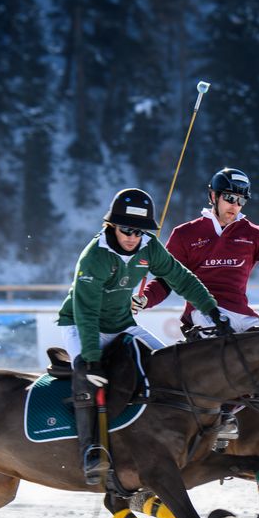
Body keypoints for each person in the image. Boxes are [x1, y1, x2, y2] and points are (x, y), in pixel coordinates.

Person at [135, 167, 259, 444]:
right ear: (213, 196)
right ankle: (223, 415)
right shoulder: (185, 234)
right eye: (229, 198)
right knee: (232, 351)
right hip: (203, 312)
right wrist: (145, 299)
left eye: (240, 201)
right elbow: (166, 281)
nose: (234, 206)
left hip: (241, 314)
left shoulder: (253, 234)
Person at [57, 188, 231, 485]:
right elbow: (85, 312)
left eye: (139, 231)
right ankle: (91, 450)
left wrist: (212, 310)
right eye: (126, 229)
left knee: (169, 365)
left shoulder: (148, 247)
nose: (132, 236)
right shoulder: (94, 257)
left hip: (122, 322)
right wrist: (92, 358)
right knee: (88, 377)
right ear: (111, 225)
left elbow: (181, 278)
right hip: (80, 324)